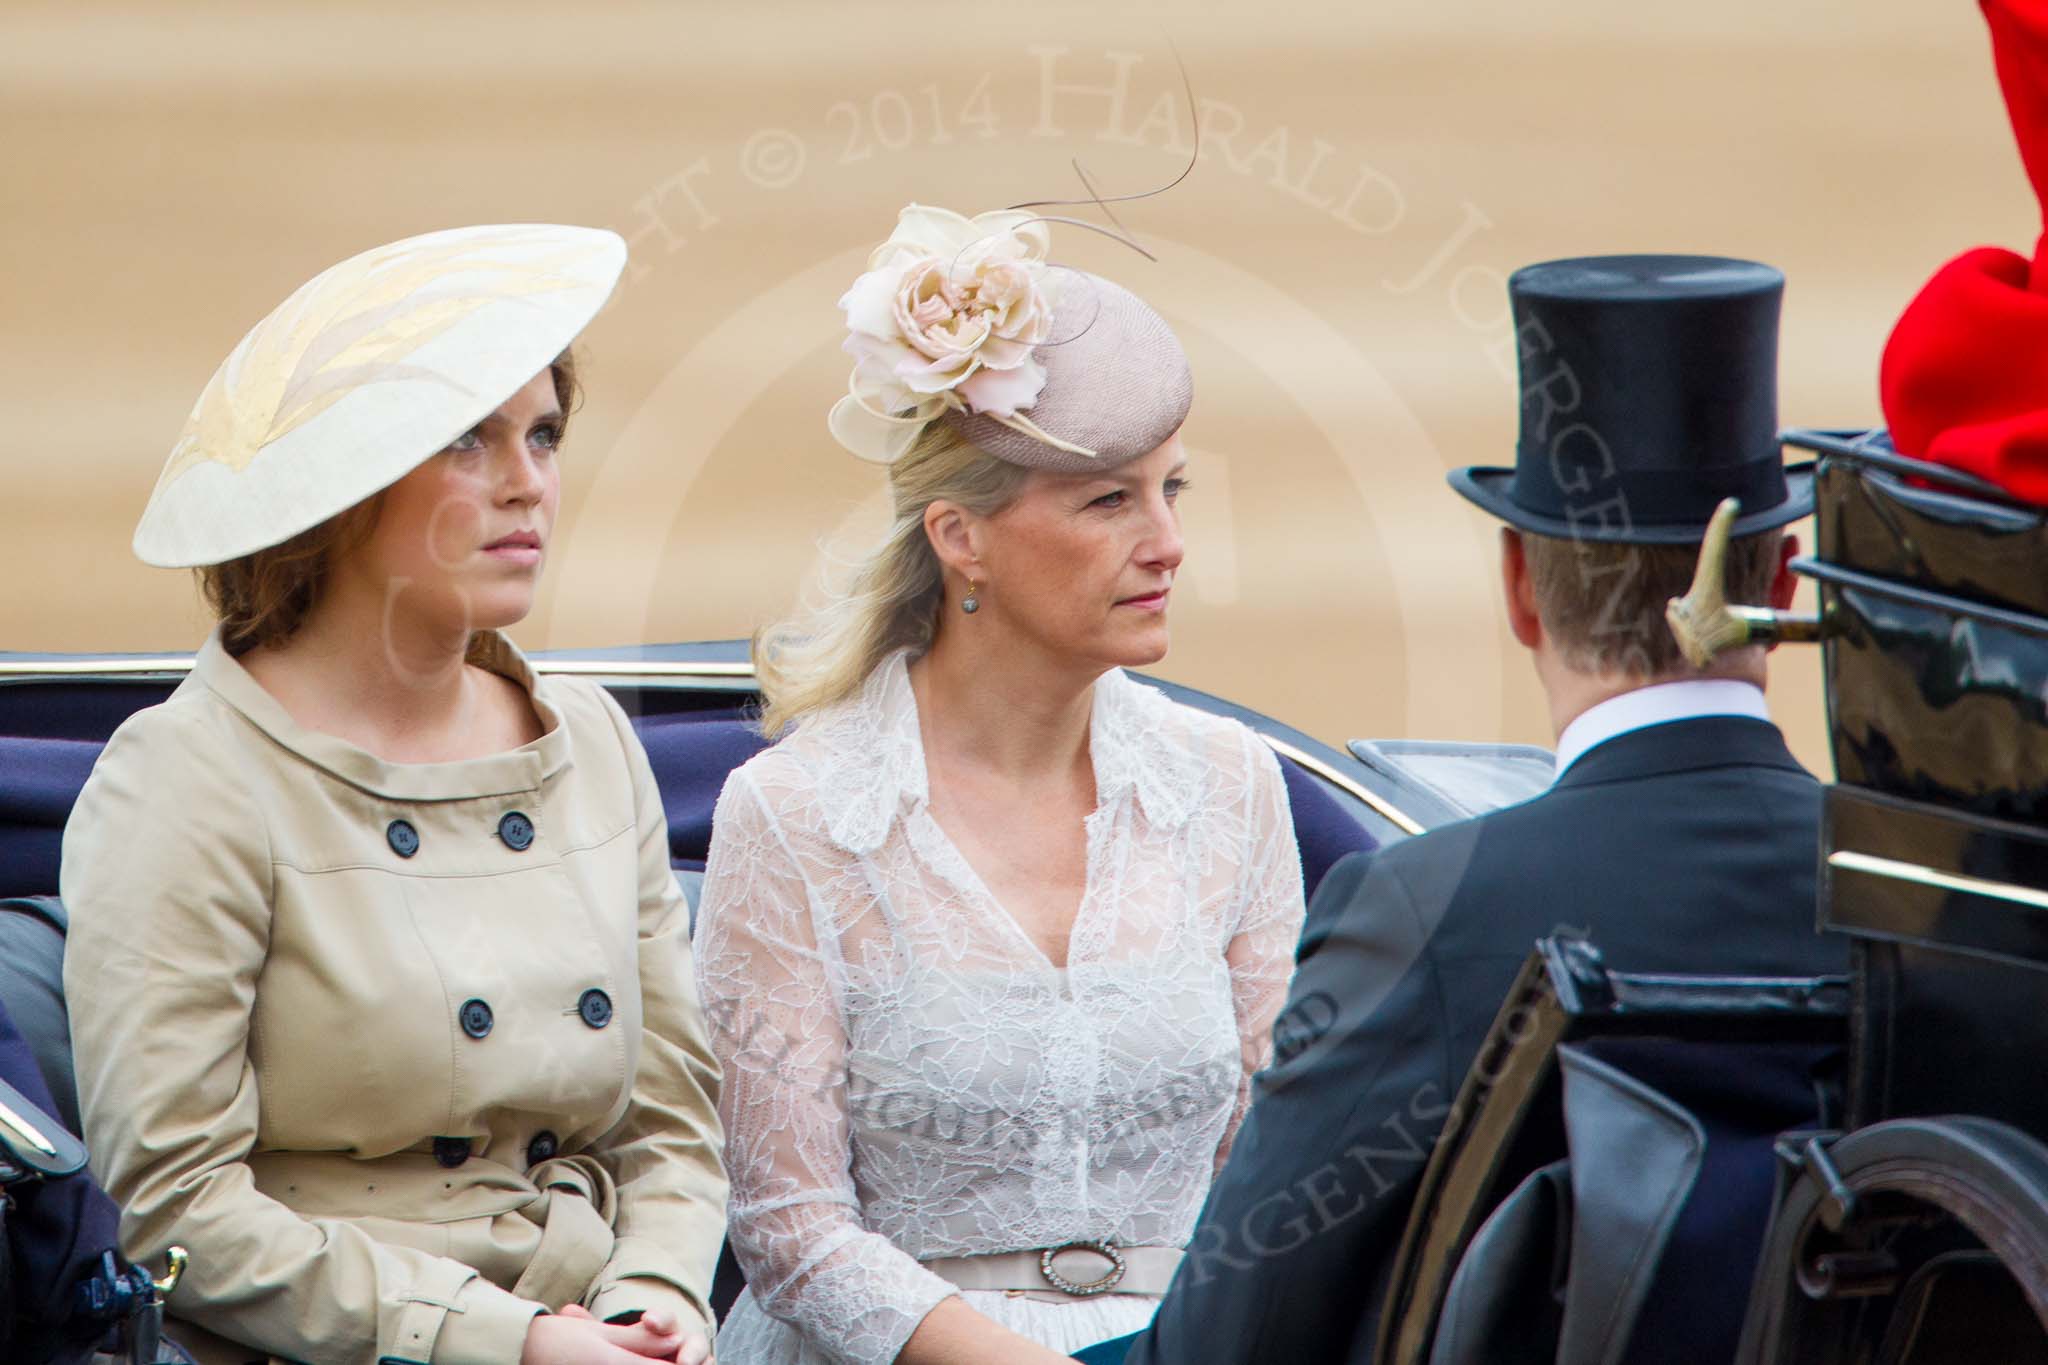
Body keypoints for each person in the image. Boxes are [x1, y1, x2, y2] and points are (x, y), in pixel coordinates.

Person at [1090, 255, 1851, 1365]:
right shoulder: (1926, 899)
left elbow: (1223, 1344)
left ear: (1516, 588)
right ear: (1779, 584)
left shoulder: (1426, 909)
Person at [60, 225, 727, 1365]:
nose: (528, 484)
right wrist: (506, 1342)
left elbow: (669, 1126)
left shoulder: (593, 742)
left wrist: (651, 1297)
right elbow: (173, 1214)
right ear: (343, 483)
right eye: (468, 439)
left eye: (545, 434)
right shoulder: (185, 778)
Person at [690, 203, 1307, 1365]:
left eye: (1173, 490)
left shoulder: (1232, 785)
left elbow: (1269, 1168)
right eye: (1108, 499)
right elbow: (791, 1232)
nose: (1166, 541)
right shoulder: (795, 813)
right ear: (958, 537)